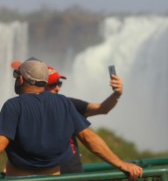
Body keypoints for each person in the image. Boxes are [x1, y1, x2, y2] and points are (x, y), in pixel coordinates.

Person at [0, 57, 142, 179]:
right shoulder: (64, 103)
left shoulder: (13, 106)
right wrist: (121, 164)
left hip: (20, 179)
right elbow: (89, 138)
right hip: (53, 178)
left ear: (20, 79)